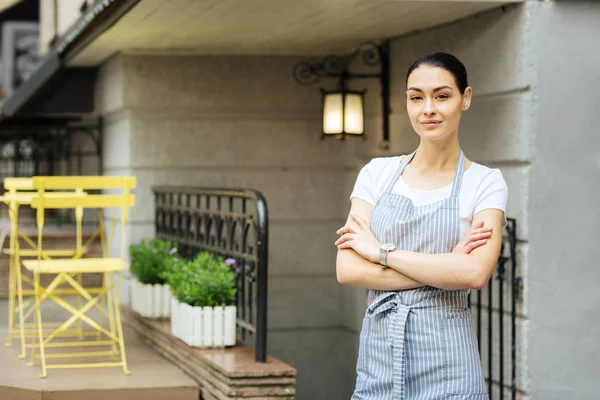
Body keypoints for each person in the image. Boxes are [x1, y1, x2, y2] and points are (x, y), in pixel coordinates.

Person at [335, 52, 508, 399]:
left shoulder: (486, 183)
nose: (428, 108)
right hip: (379, 360)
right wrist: (445, 268)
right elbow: (348, 268)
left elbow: (474, 274)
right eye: (416, 97)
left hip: (450, 367)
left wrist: (379, 252)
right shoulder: (377, 173)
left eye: (441, 96)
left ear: (466, 98)